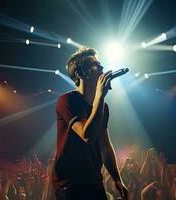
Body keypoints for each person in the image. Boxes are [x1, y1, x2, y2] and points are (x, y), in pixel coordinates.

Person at [52, 47, 128, 200]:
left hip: (94, 183)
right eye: (95, 65)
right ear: (80, 73)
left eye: (101, 64)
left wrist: (117, 179)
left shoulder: (103, 107)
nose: (101, 68)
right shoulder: (68, 101)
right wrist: (100, 96)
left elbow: (104, 144)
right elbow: (87, 135)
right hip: (70, 185)